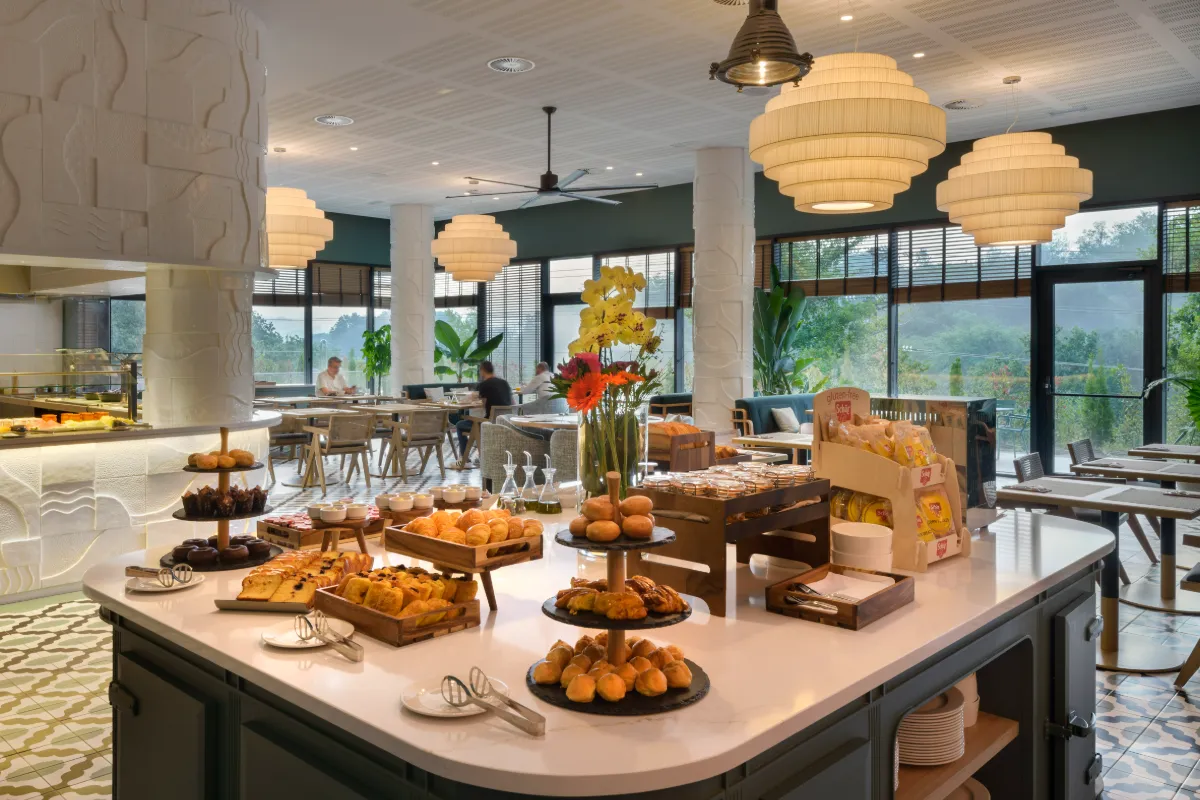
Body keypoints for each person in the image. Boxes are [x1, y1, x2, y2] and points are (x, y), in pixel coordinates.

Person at [457, 360, 512, 457]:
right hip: (505, 422)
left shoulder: (484, 385)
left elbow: (481, 403)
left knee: (460, 425)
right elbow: (511, 402)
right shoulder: (505, 383)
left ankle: (464, 458)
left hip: (489, 423)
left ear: (482, 371)